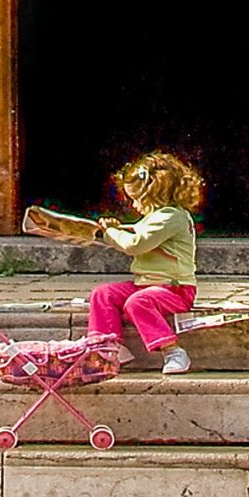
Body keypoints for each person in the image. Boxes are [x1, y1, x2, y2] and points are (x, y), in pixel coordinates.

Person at [85, 149, 203, 375]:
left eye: (136, 199)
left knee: (137, 302)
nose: (133, 205)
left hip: (176, 289)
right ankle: (108, 348)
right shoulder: (156, 218)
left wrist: (109, 233)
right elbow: (137, 232)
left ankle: (172, 351)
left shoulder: (172, 217)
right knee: (103, 293)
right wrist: (116, 228)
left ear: (153, 195)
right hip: (147, 285)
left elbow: (135, 244)